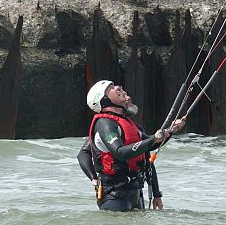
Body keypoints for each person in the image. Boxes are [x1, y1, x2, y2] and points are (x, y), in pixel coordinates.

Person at [77, 80, 184, 212]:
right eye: (111, 88)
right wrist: (93, 178)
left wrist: (171, 131)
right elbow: (120, 152)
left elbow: (149, 150)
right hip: (114, 196)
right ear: (104, 100)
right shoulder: (104, 124)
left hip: (136, 193)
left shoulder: (130, 125)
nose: (118, 87)